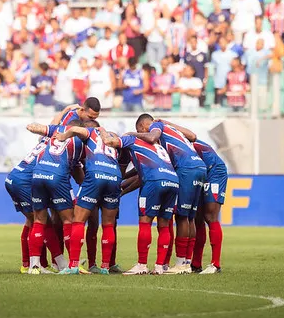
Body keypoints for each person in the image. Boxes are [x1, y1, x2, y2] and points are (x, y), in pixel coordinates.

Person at [129, 113, 207, 274]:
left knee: (181, 216)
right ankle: (186, 261)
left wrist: (132, 134)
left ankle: (180, 263)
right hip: (199, 168)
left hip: (186, 169)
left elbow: (151, 137)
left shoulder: (155, 126)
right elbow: (192, 136)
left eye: (141, 130)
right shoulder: (171, 129)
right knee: (189, 216)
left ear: (143, 126)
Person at [101, 128, 178, 275]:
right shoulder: (158, 147)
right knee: (164, 224)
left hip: (154, 181)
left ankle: (142, 265)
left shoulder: (131, 139)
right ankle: (160, 266)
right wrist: (122, 190)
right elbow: (139, 176)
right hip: (173, 181)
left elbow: (109, 141)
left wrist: (102, 131)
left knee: (145, 221)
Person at [51, 123, 120, 275]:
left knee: (78, 220)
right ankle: (105, 267)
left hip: (96, 173)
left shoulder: (90, 132)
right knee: (108, 224)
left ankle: (73, 265)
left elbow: (75, 130)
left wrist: (63, 136)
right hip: (115, 176)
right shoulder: (112, 136)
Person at [23, 120, 85, 274]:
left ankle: (34, 266)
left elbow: (32, 127)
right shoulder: (81, 139)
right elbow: (78, 169)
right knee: (68, 220)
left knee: (38, 220)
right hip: (57, 176)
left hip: (37, 174)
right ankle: (72, 264)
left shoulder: (55, 132)